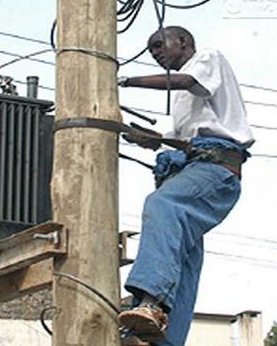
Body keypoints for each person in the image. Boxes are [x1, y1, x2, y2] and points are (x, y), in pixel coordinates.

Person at [117, 26, 254, 346]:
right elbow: (186, 141)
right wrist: (154, 141)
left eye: (158, 46)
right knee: (182, 255)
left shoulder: (207, 60)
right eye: (151, 51)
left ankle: (150, 300)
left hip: (215, 171)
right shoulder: (183, 101)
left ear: (183, 42)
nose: (155, 53)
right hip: (197, 168)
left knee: (163, 205)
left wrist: (124, 80)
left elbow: (187, 81)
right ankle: (164, 339)